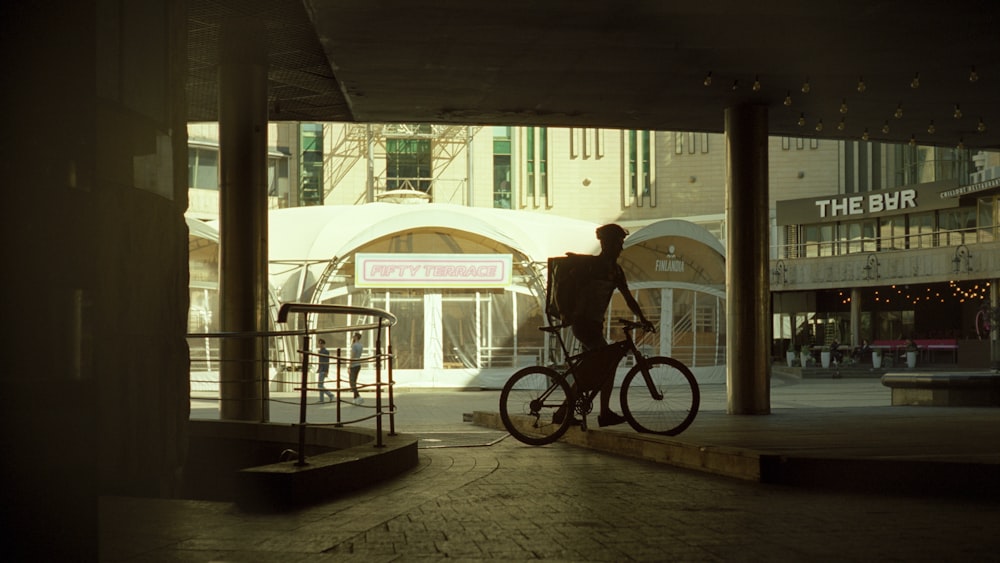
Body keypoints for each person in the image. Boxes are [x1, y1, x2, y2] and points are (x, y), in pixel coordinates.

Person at [561, 223, 654, 427]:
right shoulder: (591, 266)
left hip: (594, 326)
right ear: (608, 244)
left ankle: (563, 412)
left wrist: (642, 318)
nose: (620, 248)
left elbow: (629, 299)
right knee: (607, 363)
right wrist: (566, 313)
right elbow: (568, 288)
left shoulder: (615, 271)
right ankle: (603, 413)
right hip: (583, 324)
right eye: (618, 243)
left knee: (594, 368)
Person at [317, 338, 334, 403]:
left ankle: (330, 395)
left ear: (323, 344)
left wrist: (327, 371)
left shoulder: (325, 352)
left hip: (323, 369)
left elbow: (326, 361)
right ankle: (322, 399)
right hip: (321, 369)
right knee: (320, 385)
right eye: (319, 343)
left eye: (321, 343)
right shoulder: (320, 351)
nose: (320, 345)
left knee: (320, 385)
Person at [349, 332, 364, 405]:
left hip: (354, 365)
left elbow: (352, 356)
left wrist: (349, 365)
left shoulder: (354, 346)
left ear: (356, 337)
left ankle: (358, 396)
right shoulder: (361, 345)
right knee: (354, 381)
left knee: (352, 382)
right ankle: (355, 399)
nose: (353, 337)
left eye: (354, 336)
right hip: (358, 364)